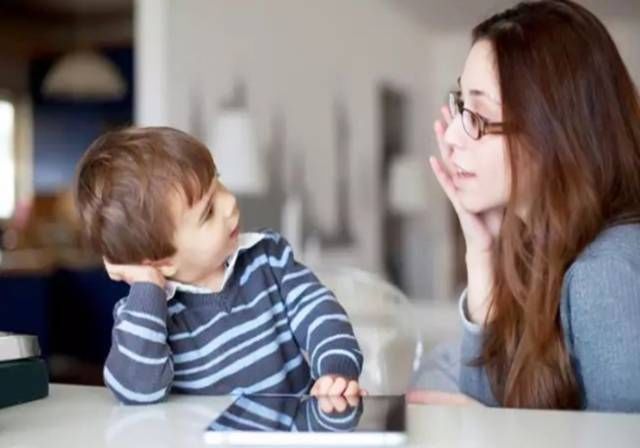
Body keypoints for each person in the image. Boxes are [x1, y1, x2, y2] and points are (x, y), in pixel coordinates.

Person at [428, 0, 640, 411]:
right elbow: (494, 411)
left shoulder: (607, 274)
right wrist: (481, 250)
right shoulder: (540, 251)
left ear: (552, 133)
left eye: (478, 115)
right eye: (460, 105)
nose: (452, 135)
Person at [74, 126, 364, 404]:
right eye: (208, 212)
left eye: (218, 182)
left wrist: (335, 368)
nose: (229, 203)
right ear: (162, 262)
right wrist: (148, 285)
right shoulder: (147, 316)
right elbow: (137, 391)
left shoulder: (268, 259)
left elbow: (319, 310)